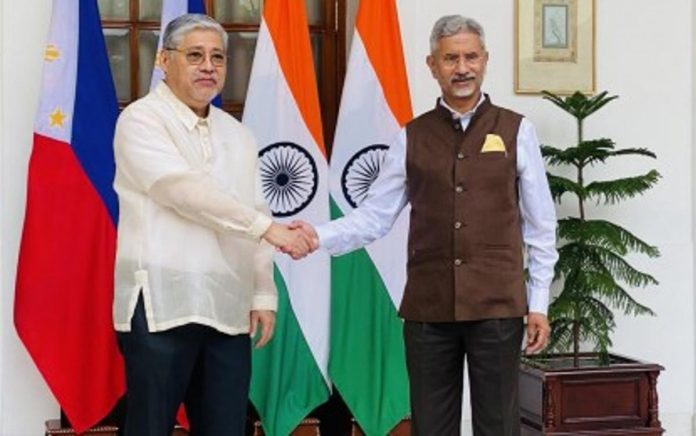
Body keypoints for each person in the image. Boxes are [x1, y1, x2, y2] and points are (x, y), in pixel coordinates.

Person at [292, 15, 558, 436]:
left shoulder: (516, 130)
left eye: (471, 57)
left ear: (485, 60)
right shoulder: (410, 136)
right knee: (431, 425)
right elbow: (374, 217)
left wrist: (538, 302)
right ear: (432, 65)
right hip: (428, 310)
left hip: (497, 306)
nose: (462, 68)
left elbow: (541, 226)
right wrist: (315, 236)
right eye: (450, 58)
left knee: (498, 424)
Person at [112, 14, 310, 436]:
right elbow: (181, 191)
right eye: (195, 55)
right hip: (162, 302)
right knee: (149, 427)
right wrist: (266, 228)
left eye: (218, 57)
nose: (209, 66)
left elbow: (255, 211)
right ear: (164, 60)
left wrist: (262, 293)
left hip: (227, 304)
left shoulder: (238, 135)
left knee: (226, 428)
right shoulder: (141, 120)